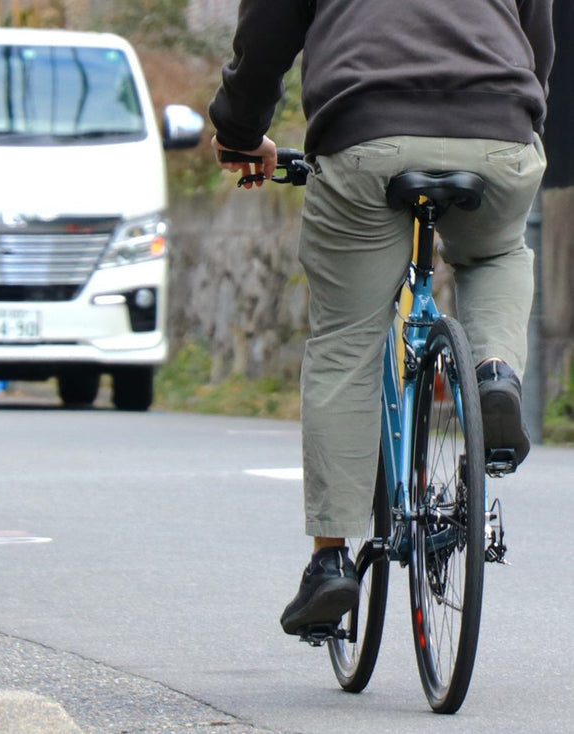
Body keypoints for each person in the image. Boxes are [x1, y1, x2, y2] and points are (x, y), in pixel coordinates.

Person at [207, 0, 554, 636]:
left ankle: (331, 561)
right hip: (500, 128)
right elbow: (541, 37)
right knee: (497, 251)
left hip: (367, 132)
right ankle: (495, 374)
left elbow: (266, 32)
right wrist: (527, 120)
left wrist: (237, 130)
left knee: (347, 339)